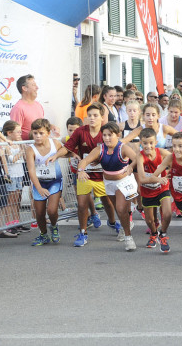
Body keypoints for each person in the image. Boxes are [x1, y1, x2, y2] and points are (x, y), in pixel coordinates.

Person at [47, 102, 120, 247]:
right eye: (89, 115)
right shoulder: (80, 131)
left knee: (108, 202)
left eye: (95, 115)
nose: (92, 118)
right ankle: (83, 233)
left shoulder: (106, 132)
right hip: (84, 174)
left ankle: (112, 222)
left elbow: (117, 148)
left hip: (103, 175)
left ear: (102, 117)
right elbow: (67, 147)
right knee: (82, 205)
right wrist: (55, 156)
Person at [77, 122, 138, 251]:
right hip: (109, 183)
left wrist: (131, 167)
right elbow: (85, 160)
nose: (107, 138)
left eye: (110, 135)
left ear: (118, 135)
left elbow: (137, 158)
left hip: (124, 182)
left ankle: (128, 237)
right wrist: (81, 170)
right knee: (119, 209)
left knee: (121, 209)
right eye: (104, 135)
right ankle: (126, 223)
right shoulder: (100, 149)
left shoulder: (123, 148)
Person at [25, 119, 64, 246]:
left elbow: (66, 151)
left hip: (55, 181)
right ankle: (43, 234)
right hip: (39, 183)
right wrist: (39, 188)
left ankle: (54, 226)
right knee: (40, 212)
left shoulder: (54, 143)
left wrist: (57, 155)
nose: (37, 136)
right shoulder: (30, 149)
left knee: (52, 210)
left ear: (48, 133)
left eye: (41, 133)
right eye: (35, 133)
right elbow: (31, 171)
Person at [136, 128, 172, 252]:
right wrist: (157, 179)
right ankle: (154, 233)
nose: (148, 146)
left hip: (162, 187)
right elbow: (141, 179)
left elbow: (175, 159)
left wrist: (170, 171)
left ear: (156, 142)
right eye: (145, 143)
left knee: (167, 213)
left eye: (151, 143)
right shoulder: (140, 157)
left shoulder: (161, 153)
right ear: (141, 143)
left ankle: (163, 234)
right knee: (150, 220)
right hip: (147, 190)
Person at [2, 121, 29, 234]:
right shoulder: (6, 145)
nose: (20, 133)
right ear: (9, 133)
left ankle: (17, 222)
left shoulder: (19, 143)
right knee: (10, 201)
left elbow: (26, 156)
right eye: (17, 132)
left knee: (17, 200)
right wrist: (21, 151)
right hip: (12, 175)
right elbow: (12, 159)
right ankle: (9, 223)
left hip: (20, 174)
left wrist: (22, 146)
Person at [10, 74, 44, 141]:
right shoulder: (18, 108)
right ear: (24, 88)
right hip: (27, 148)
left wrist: (51, 127)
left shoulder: (38, 105)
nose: (37, 87)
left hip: (39, 148)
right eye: (33, 85)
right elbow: (15, 135)